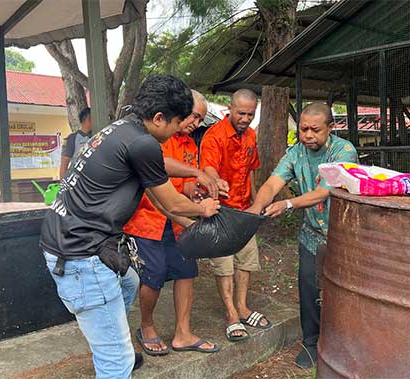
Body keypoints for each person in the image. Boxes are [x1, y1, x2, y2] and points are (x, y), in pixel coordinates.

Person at [39, 75, 220, 379]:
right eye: (178, 122)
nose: (179, 129)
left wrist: (195, 173)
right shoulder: (142, 143)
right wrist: (202, 210)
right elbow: (172, 203)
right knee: (118, 363)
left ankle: (110, 338)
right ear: (160, 117)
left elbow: (160, 176)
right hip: (80, 256)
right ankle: (113, 354)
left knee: (129, 282)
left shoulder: (124, 128)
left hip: (65, 241)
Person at [246, 102, 359, 369]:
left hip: (343, 234)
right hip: (312, 233)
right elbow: (274, 182)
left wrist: (287, 204)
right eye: (303, 129)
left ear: (330, 128)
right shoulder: (296, 152)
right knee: (308, 288)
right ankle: (311, 344)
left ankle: (343, 344)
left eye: (315, 130)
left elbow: (325, 190)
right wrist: (254, 208)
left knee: (342, 291)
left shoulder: (344, 150)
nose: (308, 135)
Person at [124, 90, 224, 356]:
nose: (196, 123)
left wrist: (201, 191)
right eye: (193, 116)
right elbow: (157, 195)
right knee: (154, 274)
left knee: (186, 271)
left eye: (200, 119)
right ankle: (146, 326)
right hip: (147, 219)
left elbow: (188, 186)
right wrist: (194, 213)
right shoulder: (156, 137)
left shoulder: (190, 144)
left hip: (177, 218)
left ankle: (183, 333)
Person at [199, 89, 271, 342]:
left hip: (244, 210)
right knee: (224, 264)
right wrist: (216, 180)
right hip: (221, 211)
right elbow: (207, 168)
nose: (245, 118)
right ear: (230, 108)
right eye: (241, 113)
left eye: (250, 114)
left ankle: (242, 307)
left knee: (246, 260)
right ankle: (231, 314)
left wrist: (254, 201)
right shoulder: (214, 135)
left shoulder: (251, 135)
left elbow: (252, 169)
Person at [59, 107, 92, 179]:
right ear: (88, 119)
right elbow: (64, 165)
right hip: (78, 180)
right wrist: (63, 186)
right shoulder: (72, 138)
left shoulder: (97, 136)